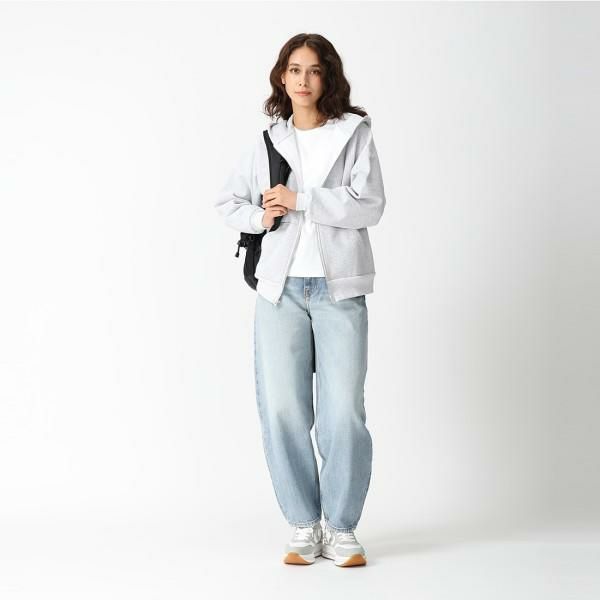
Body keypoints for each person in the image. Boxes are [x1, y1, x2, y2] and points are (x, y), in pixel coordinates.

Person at [214, 33, 386, 567]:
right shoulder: (269, 140)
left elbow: (369, 205)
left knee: (343, 412)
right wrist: (261, 216)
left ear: (327, 76)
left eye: (313, 70)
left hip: (339, 289)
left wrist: (302, 200)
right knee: (283, 408)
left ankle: (341, 527)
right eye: (294, 69)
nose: (303, 80)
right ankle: (303, 524)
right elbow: (228, 202)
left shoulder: (353, 134)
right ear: (282, 77)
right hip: (280, 291)